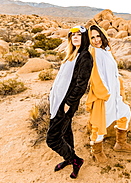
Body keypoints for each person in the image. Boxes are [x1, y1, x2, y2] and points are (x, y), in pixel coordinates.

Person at [46, 25, 93, 179]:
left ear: (84, 37)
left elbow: (81, 84)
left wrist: (69, 103)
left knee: (52, 139)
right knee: (66, 131)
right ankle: (68, 158)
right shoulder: (72, 54)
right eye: (73, 35)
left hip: (65, 104)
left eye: (79, 35)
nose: (75, 37)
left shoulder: (85, 56)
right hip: (57, 100)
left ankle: (76, 160)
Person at [86, 24, 131, 163]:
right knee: (100, 125)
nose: (96, 40)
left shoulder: (106, 50)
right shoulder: (93, 52)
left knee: (125, 113)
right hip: (104, 95)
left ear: (102, 35)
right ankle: (96, 151)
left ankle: (120, 143)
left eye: (98, 36)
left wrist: (119, 89)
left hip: (115, 93)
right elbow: (95, 75)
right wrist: (105, 94)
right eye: (92, 37)